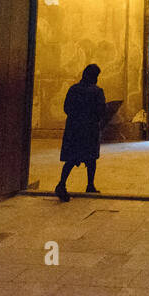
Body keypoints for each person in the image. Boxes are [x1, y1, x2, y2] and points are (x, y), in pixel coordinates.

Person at [56, 63, 105, 202]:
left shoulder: (73, 89)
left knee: (72, 158)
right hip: (90, 129)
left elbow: (66, 108)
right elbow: (101, 111)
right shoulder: (97, 91)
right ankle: (90, 185)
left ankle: (62, 183)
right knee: (91, 158)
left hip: (74, 128)